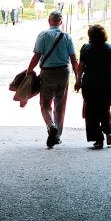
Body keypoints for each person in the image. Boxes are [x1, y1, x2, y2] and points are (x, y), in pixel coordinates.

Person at [26, 10, 79, 149]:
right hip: (64, 72)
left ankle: (51, 126)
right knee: (60, 104)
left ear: (49, 21)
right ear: (61, 22)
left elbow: (36, 56)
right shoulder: (67, 37)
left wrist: (29, 71)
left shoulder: (43, 35)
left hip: (47, 73)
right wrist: (78, 78)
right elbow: (74, 60)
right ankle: (57, 136)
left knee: (45, 103)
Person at [74, 23, 111, 149]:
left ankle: (98, 139)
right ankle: (108, 132)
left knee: (91, 111)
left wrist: (78, 81)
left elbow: (80, 67)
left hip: (90, 84)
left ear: (90, 35)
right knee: (105, 108)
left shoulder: (86, 49)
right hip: (108, 84)